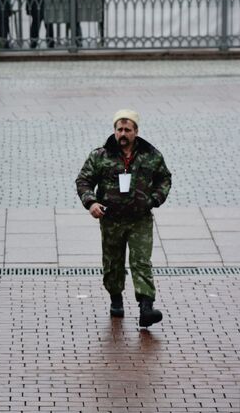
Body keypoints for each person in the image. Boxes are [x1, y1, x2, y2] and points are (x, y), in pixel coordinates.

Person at [76, 110, 171, 328]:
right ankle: (116, 298)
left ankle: (146, 307)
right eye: (119, 129)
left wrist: (154, 199)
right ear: (114, 131)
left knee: (141, 262)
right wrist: (91, 203)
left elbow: (164, 178)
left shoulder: (151, 155)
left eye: (128, 130)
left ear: (136, 132)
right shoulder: (100, 156)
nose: (123, 134)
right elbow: (83, 180)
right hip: (111, 219)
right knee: (113, 262)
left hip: (140, 218)